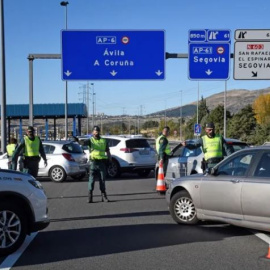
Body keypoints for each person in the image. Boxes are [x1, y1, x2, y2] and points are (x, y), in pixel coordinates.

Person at [88, 126, 112, 203]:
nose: (96, 132)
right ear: (92, 132)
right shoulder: (90, 140)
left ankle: (103, 196)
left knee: (102, 180)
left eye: (97, 131)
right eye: (95, 131)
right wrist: (77, 141)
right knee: (91, 181)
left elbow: (108, 151)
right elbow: (83, 143)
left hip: (101, 162)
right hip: (93, 163)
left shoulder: (104, 140)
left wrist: (110, 160)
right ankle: (90, 196)